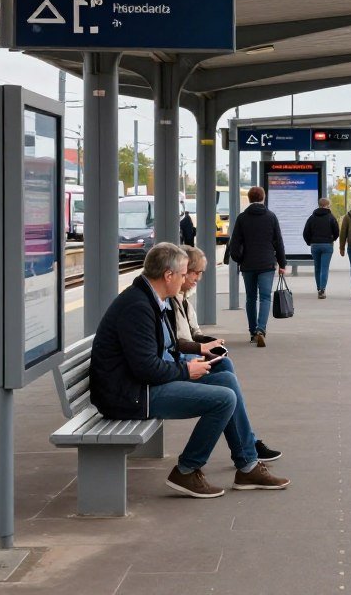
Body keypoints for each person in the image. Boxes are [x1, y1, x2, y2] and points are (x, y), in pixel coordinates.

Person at [89, 243, 288, 497]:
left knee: (225, 378)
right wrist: (185, 370)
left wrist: (188, 362)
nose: (186, 280)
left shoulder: (151, 300)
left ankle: (247, 464)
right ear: (168, 275)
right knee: (224, 399)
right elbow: (146, 368)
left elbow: (158, 355)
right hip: (131, 395)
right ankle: (187, 470)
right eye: (184, 274)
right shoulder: (138, 307)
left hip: (139, 386)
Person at [171, 244, 281, 462]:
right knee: (225, 390)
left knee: (225, 368)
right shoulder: (167, 302)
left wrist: (208, 344)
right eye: (194, 273)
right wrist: (200, 350)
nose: (198, 278)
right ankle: (244, 451)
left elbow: (191, 335)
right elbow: (175, 342)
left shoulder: (181, 300)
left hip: (181, 363)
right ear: (176, 273)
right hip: (174, 371)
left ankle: (247, 446)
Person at [227, 186, 286, 347]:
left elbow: (235, 243)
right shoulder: (271, 217)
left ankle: (253, 332)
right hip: (267, 263)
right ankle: (261, 329)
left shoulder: (242, 218)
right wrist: (282, 263)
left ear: (249, 198)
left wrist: (239, 258)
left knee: (251, 298)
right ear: (263, 198)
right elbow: (278, 241)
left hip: (248, 264)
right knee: (266, 297)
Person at [302, 197, 340, 299]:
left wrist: (309, 242)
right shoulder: (331, 217)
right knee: (324, 268)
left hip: (315, 245)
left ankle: (319, 288)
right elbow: (337, 231)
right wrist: (332, 239)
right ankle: (322, 290)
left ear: (319, 205)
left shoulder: (312, 217)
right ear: (327, 205)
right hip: (327, 245)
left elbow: (305, 232)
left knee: (317, 267)